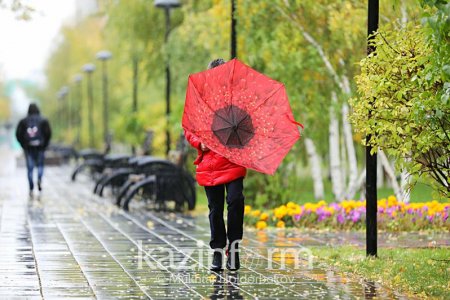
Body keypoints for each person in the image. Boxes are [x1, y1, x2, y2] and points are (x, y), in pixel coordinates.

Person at [185, 58, 246, 271]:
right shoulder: (200, 100)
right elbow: (189, 128)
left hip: (232, 160)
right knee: (215, 208)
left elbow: (250, 127)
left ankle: (234, 248)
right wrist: (198, 143)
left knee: (236, 200)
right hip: (210, 162)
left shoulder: (237, 100)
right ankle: (218, 251)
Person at [16, 103, 52, 197]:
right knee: (40, 165)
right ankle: (39, 179)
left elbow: (18, 134)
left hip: (28, 147)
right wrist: (45, 144)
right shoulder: (43, 120)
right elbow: (48, 133)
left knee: (30, 168)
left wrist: (23, 144)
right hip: (40, 147)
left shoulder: (23, 121)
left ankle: (31, 187)